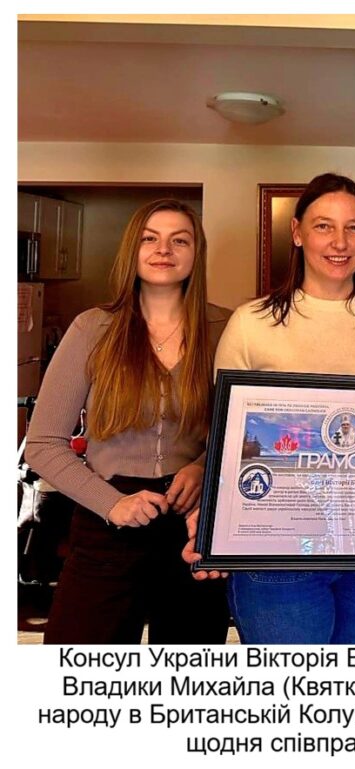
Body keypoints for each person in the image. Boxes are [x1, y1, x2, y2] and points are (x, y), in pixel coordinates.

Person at [184, 173, 355, 644]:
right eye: (323, 226)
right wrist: (212, 521)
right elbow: (228, 441)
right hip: (276, 552)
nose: (340, 242)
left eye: (354, 228)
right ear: (297, 233)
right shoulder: (251, 323)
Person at [26, 199, 230, 644]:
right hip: (106, 522)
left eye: (180, 240)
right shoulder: (93, 329)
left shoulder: (226, 329)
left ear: (197, 253)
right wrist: (111, 503)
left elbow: (246, 432)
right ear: (131, 250)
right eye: (149, 238)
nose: (164, 249)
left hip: (193, 525)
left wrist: (202, 467)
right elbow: (43, 443)